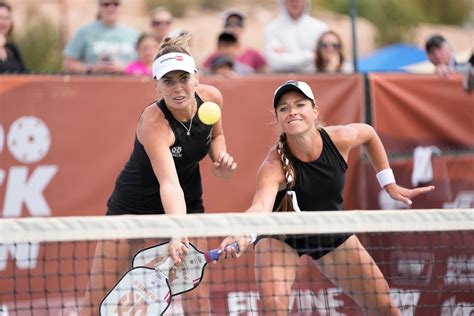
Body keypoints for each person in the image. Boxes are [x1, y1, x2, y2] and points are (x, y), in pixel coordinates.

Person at [219, 80, 435, 315]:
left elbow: (370, 134)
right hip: (280, 235)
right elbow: (260, 207)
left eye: (300, 104)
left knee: (383, 305)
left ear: (315, 111)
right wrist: (243, 234)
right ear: (279, 118)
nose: (292, 112)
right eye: (284, 108)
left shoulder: (340, 138)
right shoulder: (273, 166)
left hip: (329, 228)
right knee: (273, 307)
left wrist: (388, 183)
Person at [80, 35, 237, 315]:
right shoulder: (154, 124)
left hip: (187, 203)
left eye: (183, 78)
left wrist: (220, 159)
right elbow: (169, 182)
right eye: (168, 81)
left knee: (198, 300)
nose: (177, 88)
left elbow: (217, 136)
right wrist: (177, 230)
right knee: (97, 301)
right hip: (133, 210)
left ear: (196, 78)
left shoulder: (212, 99)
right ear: (156, 85)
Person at [62, 0, 139, 74]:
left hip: (127, 85)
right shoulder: (84, 32)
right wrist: (93, 68)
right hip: (94, 84)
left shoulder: (134, 34)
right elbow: (68, 63)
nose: (111, 8)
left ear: (122, 6)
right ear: (99, 6)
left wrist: (124, 69)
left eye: (116, 4)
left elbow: (147, 66)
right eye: (106, 4)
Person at [264, 0, 328, 73]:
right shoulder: (271, 28)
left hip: (313, 80)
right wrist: (310, 55)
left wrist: (286, 55)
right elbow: (275, 63)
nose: (294, 3)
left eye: (298, 0)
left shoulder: (320, 28)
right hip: (282, 81)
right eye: (291, 0)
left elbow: (324, 60)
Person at [0, 1, 27, 73]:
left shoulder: (12, 48)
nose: (3, 22)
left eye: (7, 18)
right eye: (0, 17)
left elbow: (26, 74)